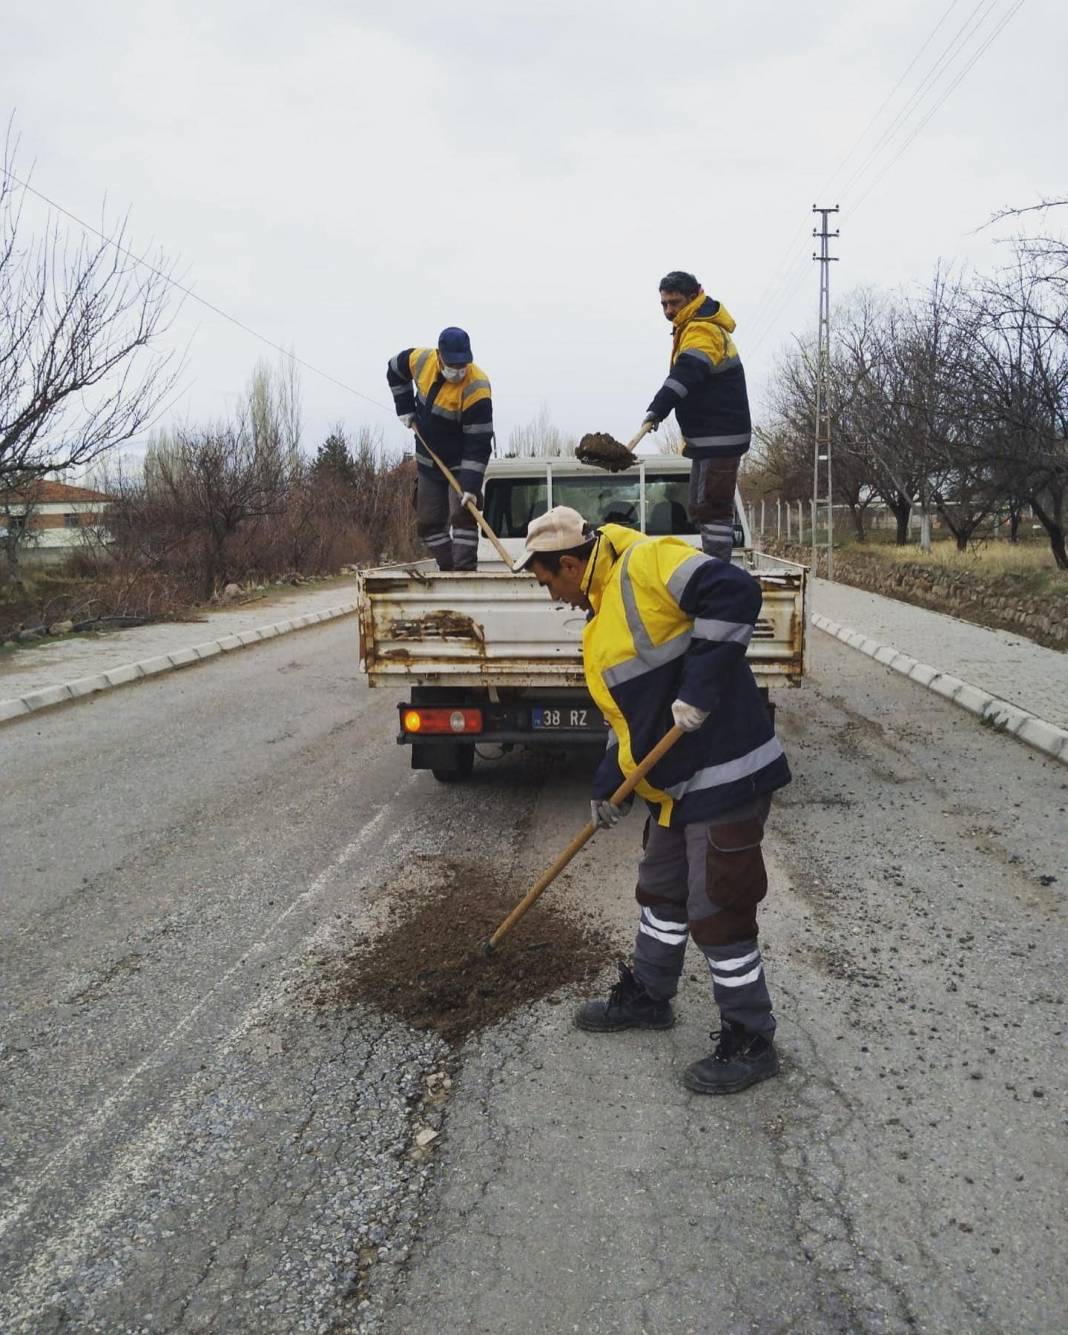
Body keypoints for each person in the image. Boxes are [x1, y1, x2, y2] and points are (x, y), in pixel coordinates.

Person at [516, 505, 790, 1094]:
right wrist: (603, 790)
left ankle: (751, 1038)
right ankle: (649, 996)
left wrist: (698, 691)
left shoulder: (647, 562)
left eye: (549, 583)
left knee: (718, 905)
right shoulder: (600, 618)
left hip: (725, 772)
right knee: (661, 892)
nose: (554, 597)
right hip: (674, 789)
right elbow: (627, 723)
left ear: (569, 563)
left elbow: (735, 591)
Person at [640, 271, 752, 561]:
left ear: (694, 296)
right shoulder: (689, 326)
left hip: (720, 437)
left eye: (674, 303)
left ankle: (718, 572)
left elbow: (687, 373)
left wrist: (657, 409)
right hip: (708, 438)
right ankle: (714, 563)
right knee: (700, 505)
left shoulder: (703, 330)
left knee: (713, 506)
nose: (668, 310)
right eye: (663, 304)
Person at [387, 328, 493, 571]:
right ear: (439, 355)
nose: (457, 371)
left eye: (463, 365)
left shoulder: (477, 388)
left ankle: (464, 573)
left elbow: (479, 442)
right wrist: (404, 407)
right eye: (452, 365)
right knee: (428, 523)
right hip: (428, 458)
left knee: (464, 515)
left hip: (461, 461)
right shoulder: (421, 360)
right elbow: (394, 370)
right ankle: (448, 567)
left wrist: (470, 486)